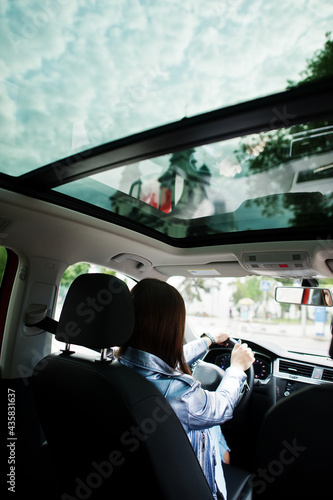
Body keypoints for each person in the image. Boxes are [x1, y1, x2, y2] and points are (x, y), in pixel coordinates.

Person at [118, 278, 255, 500]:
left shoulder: (119, 362)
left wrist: (208, 340)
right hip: (188, 485)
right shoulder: (180, 394)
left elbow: (159, 362)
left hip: (143, 470)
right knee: (218, 434)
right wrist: (237, 368)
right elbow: (220, 408)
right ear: (171, 328)